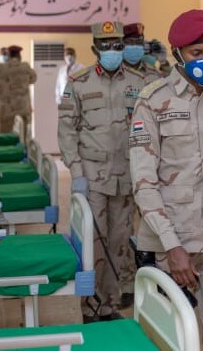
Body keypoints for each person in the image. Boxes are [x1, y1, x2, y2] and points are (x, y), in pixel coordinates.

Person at [130, 10, 203, 350]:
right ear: (177, 53)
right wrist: (172, 245)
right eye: (196, 53)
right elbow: (144, 183)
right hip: (172, 239)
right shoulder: (153, 101)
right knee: (171, 337)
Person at [58, 21, 146, 323]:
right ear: (95, 48)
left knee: (119, 243)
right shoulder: (79, 82)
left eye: (117, 45)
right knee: (94, 243)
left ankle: (108, 305)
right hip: (92, 177)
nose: (112, 50)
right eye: (106, 45)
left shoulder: (138, 82)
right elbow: (67, 130)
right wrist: (76, 171)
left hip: (126, 177)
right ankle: (90, 308)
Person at [0, 45, 37, 135]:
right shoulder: (25, 67)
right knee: (23, 136)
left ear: (8, 55)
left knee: (5, 136)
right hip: (22, 108)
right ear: (19, 56)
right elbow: (33, 79)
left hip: (6, 109)